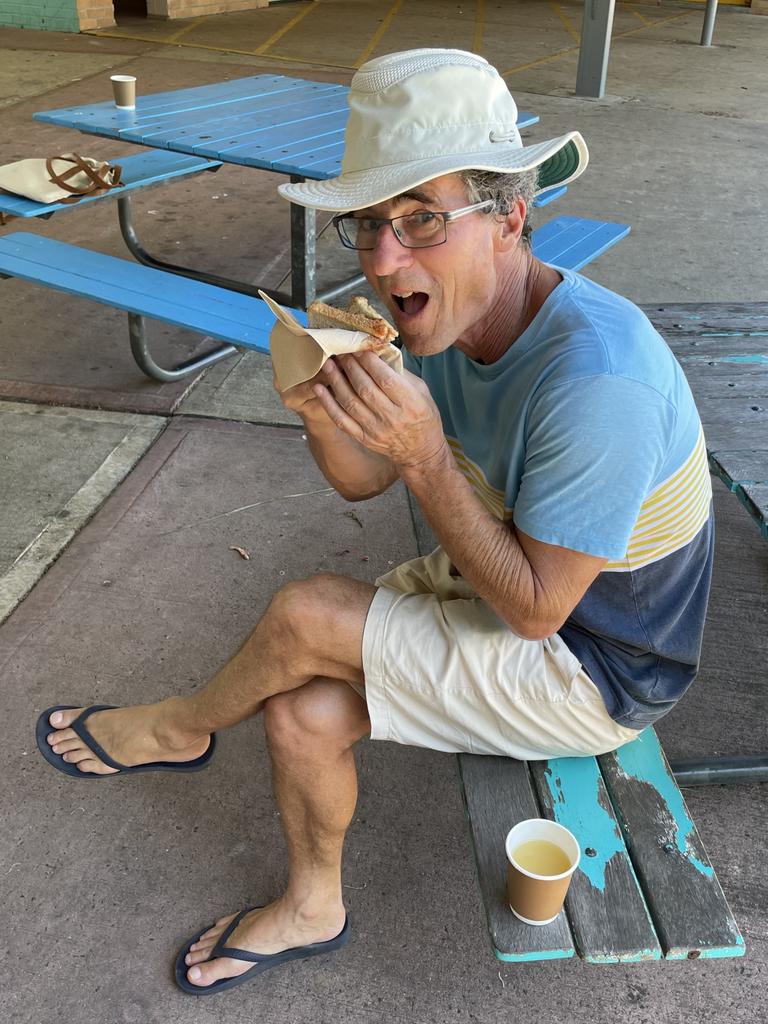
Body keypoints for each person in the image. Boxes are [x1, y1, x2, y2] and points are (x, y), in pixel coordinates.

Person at [35, 48, 713, 995]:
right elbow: (358, 481)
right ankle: (314, 907)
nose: (386, 260)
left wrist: (426, 455)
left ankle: (178, 728)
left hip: (604, 663)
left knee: (307, 614)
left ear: (510, 217)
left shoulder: (598, 381)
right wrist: (321, 399)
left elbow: (535, 612)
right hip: (509, 587)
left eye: (423, 219)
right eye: (370, 224)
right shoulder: (446, 320)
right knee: (300, 710)